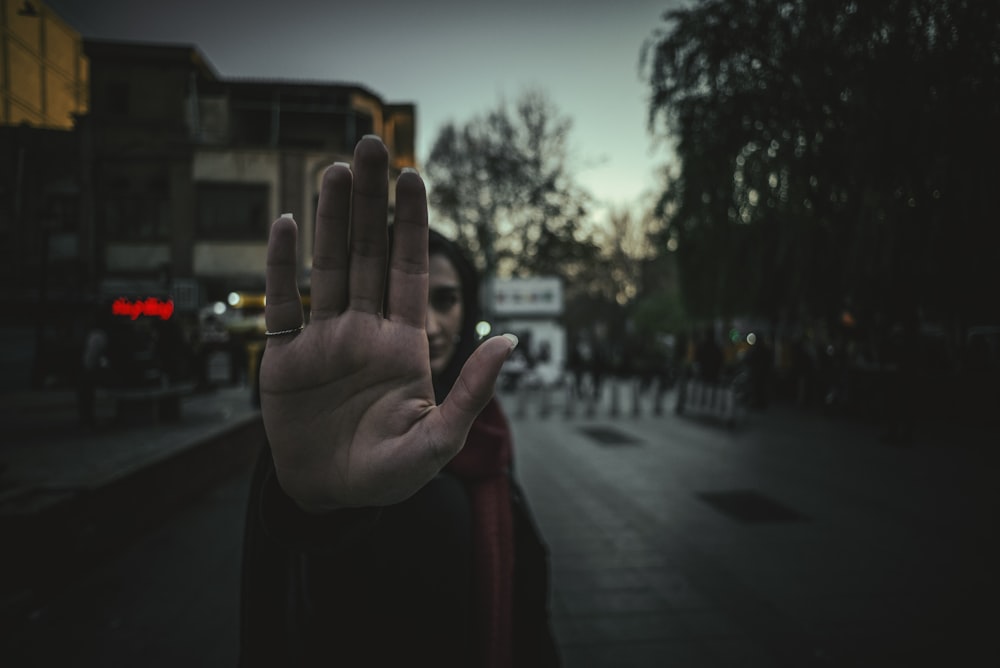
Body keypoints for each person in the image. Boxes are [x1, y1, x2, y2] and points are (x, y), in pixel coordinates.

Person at [239, 136, 560, 667]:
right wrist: (320, 506)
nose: (431, 326)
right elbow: (292, 588)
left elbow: (526, 610)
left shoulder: (485, 433)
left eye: (448, 300)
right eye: (409, 298)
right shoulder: (312, 435)